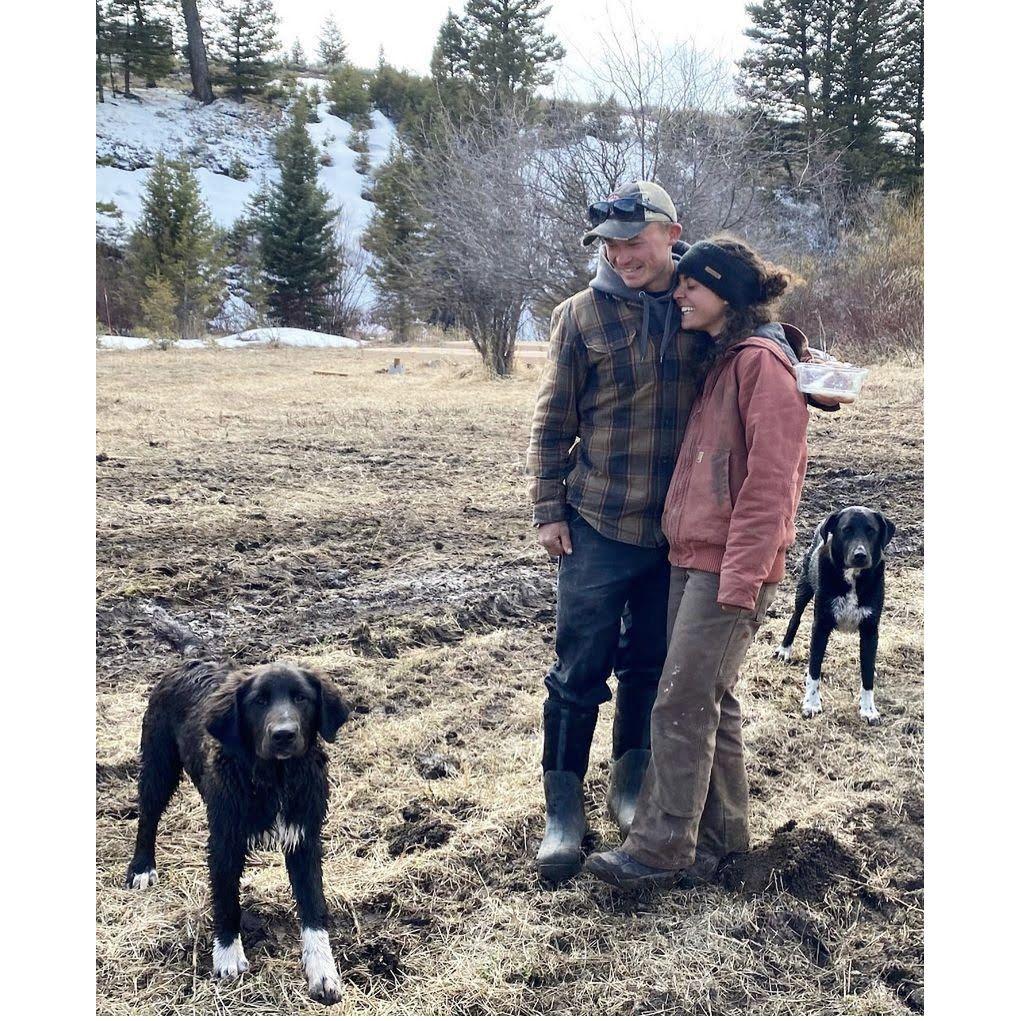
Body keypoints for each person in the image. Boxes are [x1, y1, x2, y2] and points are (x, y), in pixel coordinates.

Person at [525, 184, 841, 883]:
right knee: (579, 671)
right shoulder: (580, 316)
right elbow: (552, 421)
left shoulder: (696, 301)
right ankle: (564, 813)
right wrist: (548, 506)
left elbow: (765, 348)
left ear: (671, 236)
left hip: (682, 541)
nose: (619, 255)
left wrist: (807, 370)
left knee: (656, 673)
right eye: (608, 245)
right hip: (600, 523)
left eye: (632, 241)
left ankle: (636, 797)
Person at [583, 236, 814, 890]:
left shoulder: (759, 363)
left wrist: (741, 577)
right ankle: (722, 843)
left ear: (726, 295)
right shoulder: (728, 354)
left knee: (679, 702)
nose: (678, 293)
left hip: (728, 566)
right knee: (712, 698)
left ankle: (660, 849)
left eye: (691, 285)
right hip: (696, 557)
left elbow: (772, 483)